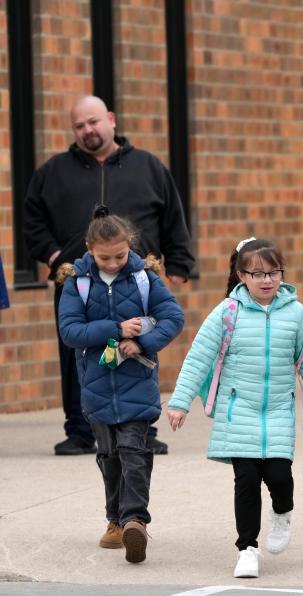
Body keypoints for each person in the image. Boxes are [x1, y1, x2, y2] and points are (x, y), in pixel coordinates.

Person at [23, 96, 194, 456]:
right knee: (78, 356)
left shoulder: (148, 167)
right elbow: (32, 222)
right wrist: (57, 256)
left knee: (138, 352)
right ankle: (81, 431)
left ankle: (141, 430)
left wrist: (179, 262)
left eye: (93, 122)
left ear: (111, 120)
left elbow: (173, 216)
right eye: (79, 126)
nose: (88, 130)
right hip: (79, 281)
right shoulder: (52, 172)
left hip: (136, 279)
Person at [166, 238, 303, 579]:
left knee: (278, 476)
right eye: (257, 273)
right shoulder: (228, 312)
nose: (266, 280)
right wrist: (179, 402)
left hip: (277, 411)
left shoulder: (295, 312)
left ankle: (282, 511)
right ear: (241, 275)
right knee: (245, 480)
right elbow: (199, 356)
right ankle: (247, 548)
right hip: (238, 411)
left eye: (273, 272)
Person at [56, 210, 184, 563]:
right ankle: (114, 520)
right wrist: (115, 328)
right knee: (109, 456)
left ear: (130, 246)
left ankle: (135, 520)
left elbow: (173, 317)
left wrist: (143, 343)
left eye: (120, 256)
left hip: (137, 383)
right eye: (104, 257)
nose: (113, 263)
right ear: (89, 249)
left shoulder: (144, 278)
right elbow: (69, 331)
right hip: (96, 386)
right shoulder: (77, 283)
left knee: (134, 450)